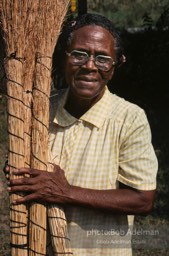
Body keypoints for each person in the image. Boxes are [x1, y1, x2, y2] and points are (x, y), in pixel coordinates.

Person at [5, 13, 158, 255]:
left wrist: (66, 193)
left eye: (102, 58)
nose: (89, 65)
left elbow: (142, 200)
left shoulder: (129, 118)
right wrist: (19, 167)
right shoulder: (39, 109)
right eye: (79, 54)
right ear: (63, 58)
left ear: (117, 64)